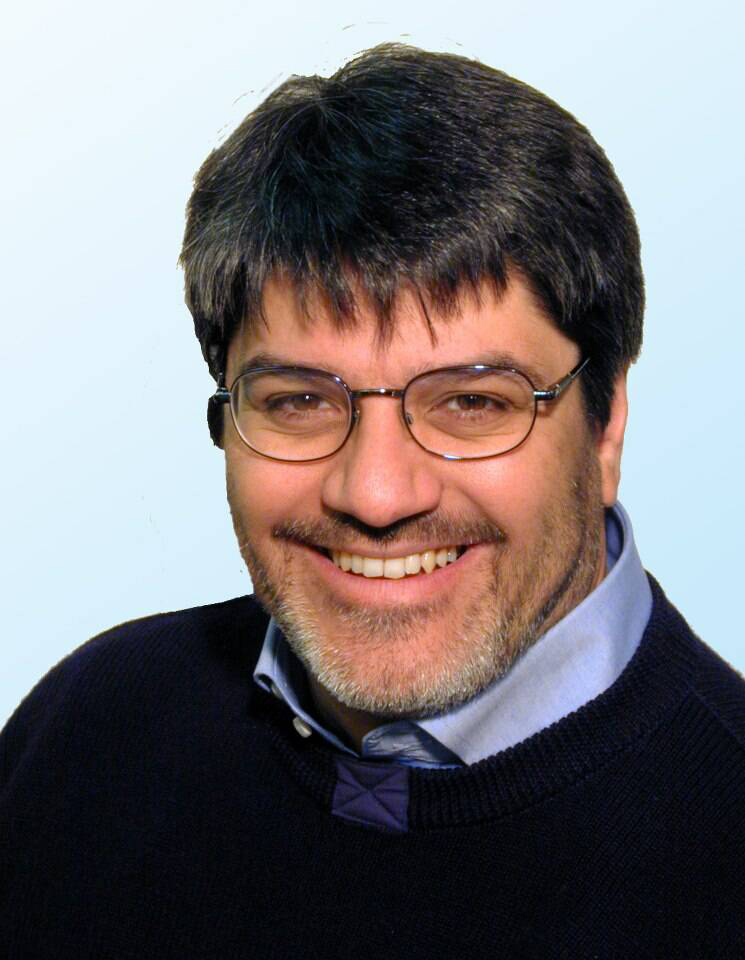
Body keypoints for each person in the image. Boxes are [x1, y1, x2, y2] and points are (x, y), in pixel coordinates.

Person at [1, 43, 743, 958]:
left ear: (605, 425)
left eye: (472, 402)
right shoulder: (86, 737)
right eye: (299, 402)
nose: (378, 495)